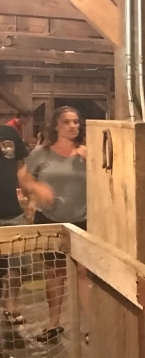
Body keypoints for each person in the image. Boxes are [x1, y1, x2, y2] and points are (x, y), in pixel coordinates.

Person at [26, 106, 87, 343]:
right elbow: (25, 177)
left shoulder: (85, 153)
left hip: (82, 218)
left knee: (84, 273)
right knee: (55, 272)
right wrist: (37, 189)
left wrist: (93, 162)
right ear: (56, 125)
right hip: (50, 219)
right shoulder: (42, 153)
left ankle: (89, 326)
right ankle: (53, 324)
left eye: (76, 122)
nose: (73, 126)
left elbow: (106, 179)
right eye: (67, 122)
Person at [0, 119, 54, 358]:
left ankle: (10, 307)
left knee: (18, 266)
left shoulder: (9, 133)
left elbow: (21, 170)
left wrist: (33, 192)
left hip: (12, 214)